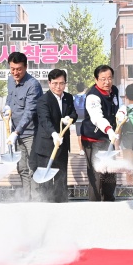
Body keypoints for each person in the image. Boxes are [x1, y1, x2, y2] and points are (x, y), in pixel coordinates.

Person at [30, 69, 78, 203]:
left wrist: (70, 118)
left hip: (62, 146)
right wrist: (54, 134)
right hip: (46, 146)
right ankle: (46, 208)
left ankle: (61, 206)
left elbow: (74, 114)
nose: (58, 86)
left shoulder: (68, 97)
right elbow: (45, 121)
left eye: (62, 83)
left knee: (61, 180)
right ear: (49, 83)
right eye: (55, 83)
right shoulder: (43, 100)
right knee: (45, 183)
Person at [80, 65, 123, 201]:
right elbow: (96, 117)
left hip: (107, 140)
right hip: (93, 140)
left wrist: (121, 112)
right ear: (96, 79)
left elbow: (120, 105)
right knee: (96, 176)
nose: (107, 82)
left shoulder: (114, 90)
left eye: (109, 78)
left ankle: (109, 203)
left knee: (110, 174)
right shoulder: (92, 96)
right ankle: (95, 208)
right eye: (103, 79)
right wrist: (109, 129)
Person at [4, 52, 42, 198]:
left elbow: (29, 111)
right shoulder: (10, 80)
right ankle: (26, 199)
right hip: (16, 134)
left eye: (18, 69)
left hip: (30, 133)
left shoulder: (33, 85)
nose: (15, 72)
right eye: (12, 68)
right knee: (21, 167)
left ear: (26, 67)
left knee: (33, 166)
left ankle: (37, 199)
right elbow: (10, 98)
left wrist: (16, 132)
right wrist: (7, 107)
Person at [119, 83, 133, 186]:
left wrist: (116, 144)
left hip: (127, 142)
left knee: (128, 168)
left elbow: (119, 127)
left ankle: (130, 189)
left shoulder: (123, 109)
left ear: (126, 97)